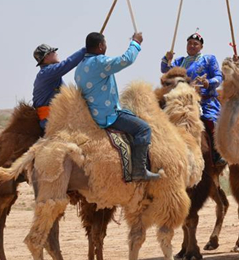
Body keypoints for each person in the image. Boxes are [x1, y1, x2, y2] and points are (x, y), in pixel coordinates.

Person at [75, 32, 160, 181]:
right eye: (105, 43)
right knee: (143, 128)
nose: (106, 46)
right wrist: (135, 43)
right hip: (108, 116)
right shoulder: (99, 63)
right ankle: (139, 170)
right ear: (101, 46)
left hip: (91, 114)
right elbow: (125, 60)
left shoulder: (80, 67)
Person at [161, 32, 226, 166]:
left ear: (201, 47)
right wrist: (166, 58)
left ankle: (217, 153)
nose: (192, 46)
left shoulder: (209, 59)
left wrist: (208, 82)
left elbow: (218, 76)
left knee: (211, 122)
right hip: (182, 102)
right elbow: (165, 70)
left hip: (205, 101)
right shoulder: (179, 61)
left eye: (195, 44)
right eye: (189, 43)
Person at [32, 43, 86, 131]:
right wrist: (86, 49)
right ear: (46, 57)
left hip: (53, 117)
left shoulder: (50, 74)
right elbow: (68, 63)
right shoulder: (47, 72)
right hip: (50, 120)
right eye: (52, 51)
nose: (56, 53)